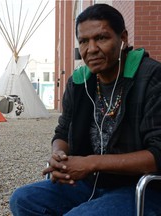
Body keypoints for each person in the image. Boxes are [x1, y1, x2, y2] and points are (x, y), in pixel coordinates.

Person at [10, 4, 161, 216]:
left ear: (123, 38)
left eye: (101, 38)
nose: (91, 49)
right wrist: (59, 155)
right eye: (83, 41)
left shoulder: (150, 77)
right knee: (23, 200)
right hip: (89, 183)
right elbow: (62, 133)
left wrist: (90, 163)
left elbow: (157, 155)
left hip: (140, 188)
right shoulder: (79, 83)